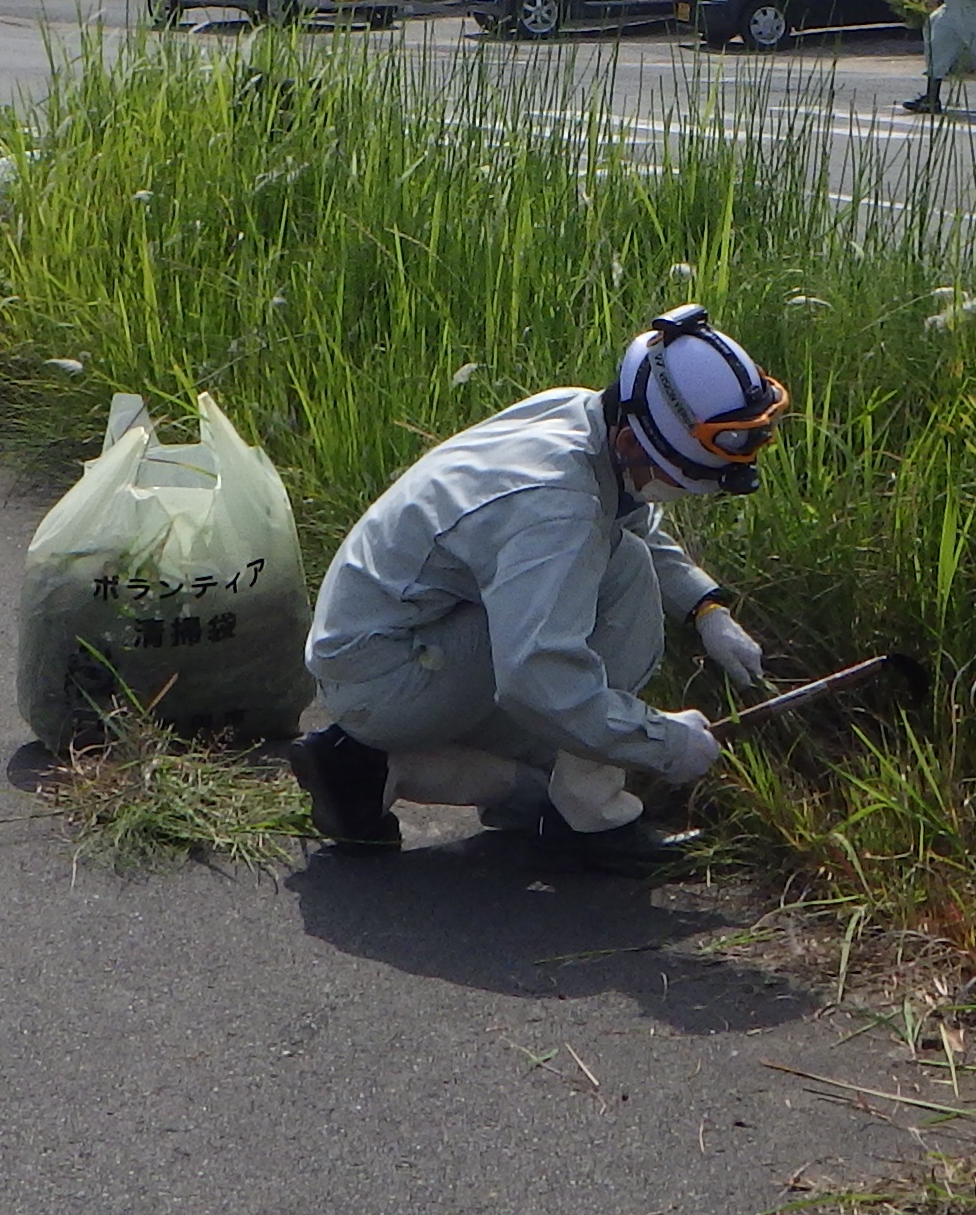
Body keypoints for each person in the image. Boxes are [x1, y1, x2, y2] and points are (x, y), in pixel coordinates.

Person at [289, 303, 782, 877]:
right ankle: (585, 818)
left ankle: (369, 769)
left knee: (616, 578)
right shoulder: (557, 508)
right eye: (683, 479)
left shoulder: (580, 415)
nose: (689, 494)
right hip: (384, 673)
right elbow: (538, 678)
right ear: (629, 443)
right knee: (618, 584)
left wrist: (706, 610)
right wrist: (663, 742)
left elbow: (632, 517)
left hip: (380, 640)